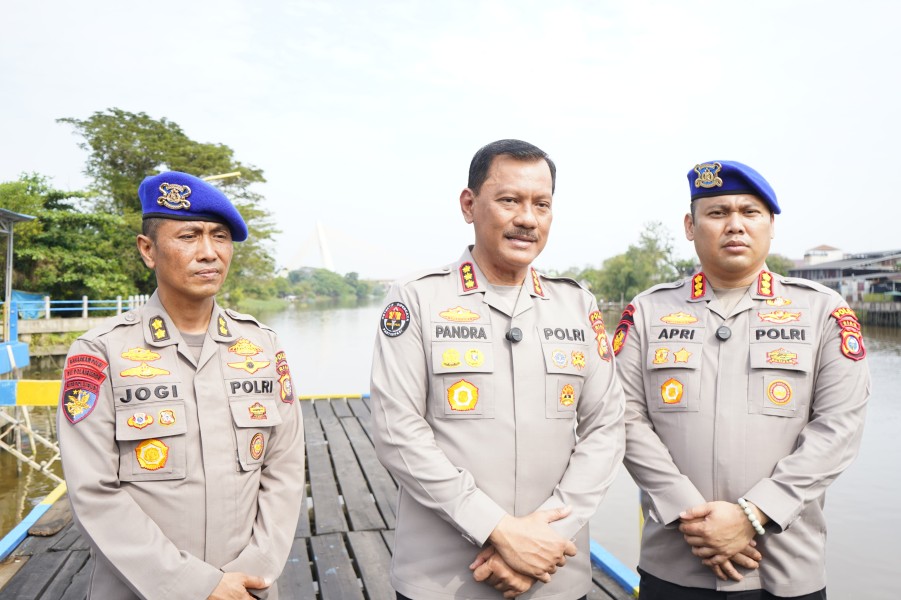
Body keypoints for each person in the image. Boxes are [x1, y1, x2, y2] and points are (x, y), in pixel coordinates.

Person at [370, 139, 625, 599]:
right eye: (510, 200)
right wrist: (498, 531)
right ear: (469, 205)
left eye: (541, 204)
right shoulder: (417, 298)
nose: (527, 218)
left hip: (555, 573)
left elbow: (605, 428)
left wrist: (547, 538)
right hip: (444, 580)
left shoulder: (576, 304)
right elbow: (397, 431)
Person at [615, 160, 870, 599]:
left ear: (771, 226)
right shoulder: (647, 313)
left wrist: (753, 514)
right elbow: (623, 419)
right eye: (717, 213)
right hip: (676, 563)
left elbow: (838, 428)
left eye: (750, 213)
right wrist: (689, 515)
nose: (735, 225)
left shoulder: (822, 312)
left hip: (784, 566)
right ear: (690, 226)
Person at [57, 171, 305, 600]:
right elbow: (93, 492)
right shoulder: (100, 353)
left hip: (249, 589)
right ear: (148, 250)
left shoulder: (262, 346)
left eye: (220, 237)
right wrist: (197, 586)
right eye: (189, 236)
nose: (209, 253)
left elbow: (283, 469)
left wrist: (254, 571)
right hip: (141, 589)